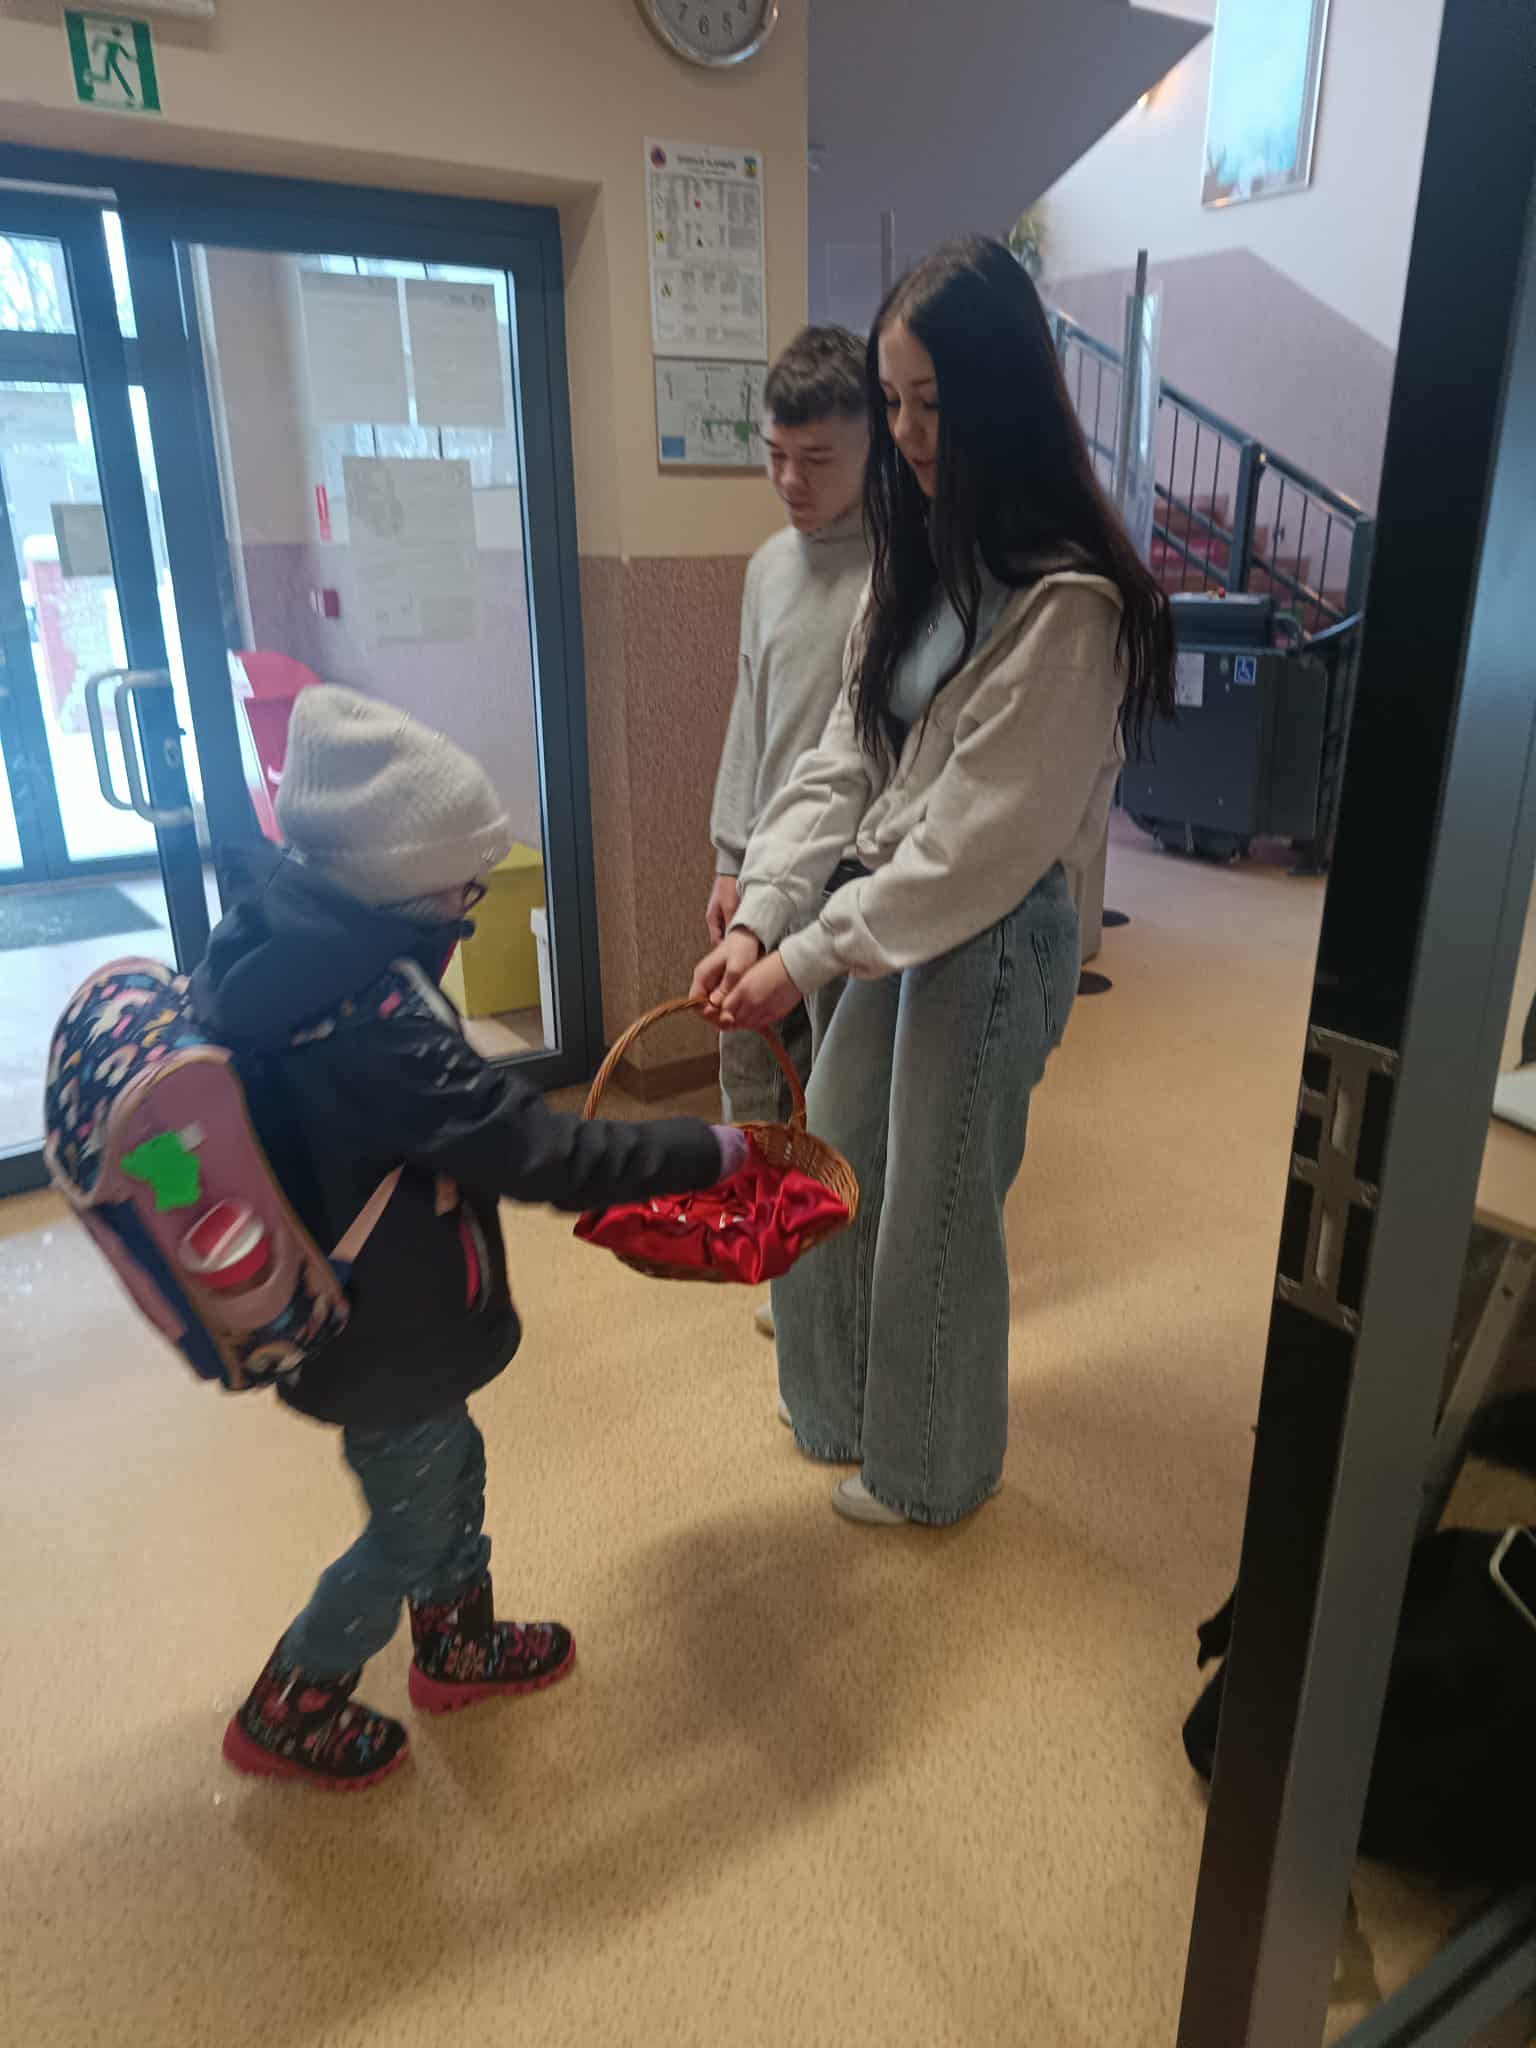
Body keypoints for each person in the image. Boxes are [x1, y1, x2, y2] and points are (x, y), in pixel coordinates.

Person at [691, 237, 1175, 1528]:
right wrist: (764, 910)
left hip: (996, 930)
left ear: (1000, 398)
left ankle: (932, 1470)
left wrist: (804, 952)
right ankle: (838, 1407)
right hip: (894, 910)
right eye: (895, 401)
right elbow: (841, 759)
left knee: (936, 1207)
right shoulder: (918, 561)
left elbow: (976, 847)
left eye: (932, 404)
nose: (906, 433)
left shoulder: (1071, 604)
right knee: (834, 1157)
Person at [201, 686, 742, 1789]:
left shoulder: (292, 942)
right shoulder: (375, 1029)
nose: (471, 906)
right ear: (401, 883)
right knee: (410, 1520)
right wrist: (709, 1150)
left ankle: (455, 1644)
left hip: (377, 1299)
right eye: (464, 886)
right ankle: (291, 1701)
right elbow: (536, 1150)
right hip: (380, 1325)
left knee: (447, 1470)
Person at [708, 324, 870, 1129]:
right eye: (775, 454)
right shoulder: (768, 566)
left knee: (836, 1098)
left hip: (852, 881)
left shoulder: (901, 572)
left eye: (816, 459)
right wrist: (730, 859)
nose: (788, 479)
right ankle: (749, 1194)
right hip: (764, 870)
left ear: (874, 447)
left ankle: (828, 1208)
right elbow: (750, 719)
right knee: (748, 1070)